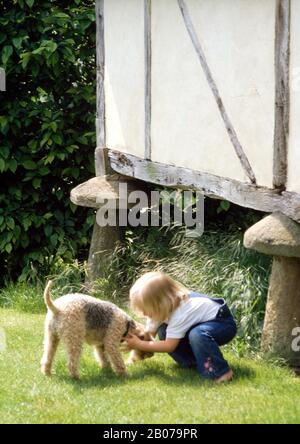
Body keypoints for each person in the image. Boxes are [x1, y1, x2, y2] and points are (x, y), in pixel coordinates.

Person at [125, 271, 237, 383]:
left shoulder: (180, 313)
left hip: (222, 323)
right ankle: (193, 363)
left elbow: (169, 346)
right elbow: (148, 335)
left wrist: (139, 344)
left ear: (161, 304)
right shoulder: (159, 311)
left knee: (197, 334)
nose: (144, 313)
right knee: (164, 331)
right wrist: (134, 357)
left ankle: (221, 372)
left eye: (146, 309)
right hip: (201, 324)